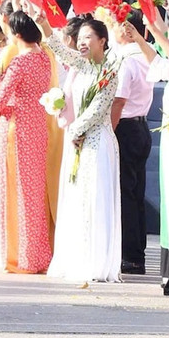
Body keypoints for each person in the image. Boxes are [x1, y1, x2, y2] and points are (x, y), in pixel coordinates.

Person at [44, 18, 122, 283]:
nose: (82, 42)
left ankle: (96, 260)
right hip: (78, 141)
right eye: (81, 37)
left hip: (98, 142)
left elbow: (99, 109)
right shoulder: (82, 65)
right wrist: (44, 25)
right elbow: (60, 50)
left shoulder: (110, 71)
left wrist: (77, 130)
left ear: (103, 41)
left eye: (89, 37)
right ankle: (76, 256)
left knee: (95, 198)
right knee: (77, 197)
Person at [0, 10, 54, 274]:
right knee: (35, 193)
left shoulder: (19, 63)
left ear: (17, 35)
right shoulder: (44, 59)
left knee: (16, 191)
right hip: (39, 125)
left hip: (17, 127)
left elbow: (0, 99)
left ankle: (20, 257)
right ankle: (38, 256)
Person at [111, 12, 156, 275]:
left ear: (127, 30)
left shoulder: (127, 61)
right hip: (140, 126)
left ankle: (129, 254)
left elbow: (119, 100)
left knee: (125, 194)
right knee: (135, 193)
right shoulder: (146, 57)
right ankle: (135, 253)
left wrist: (110, 128)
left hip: (125, 128)